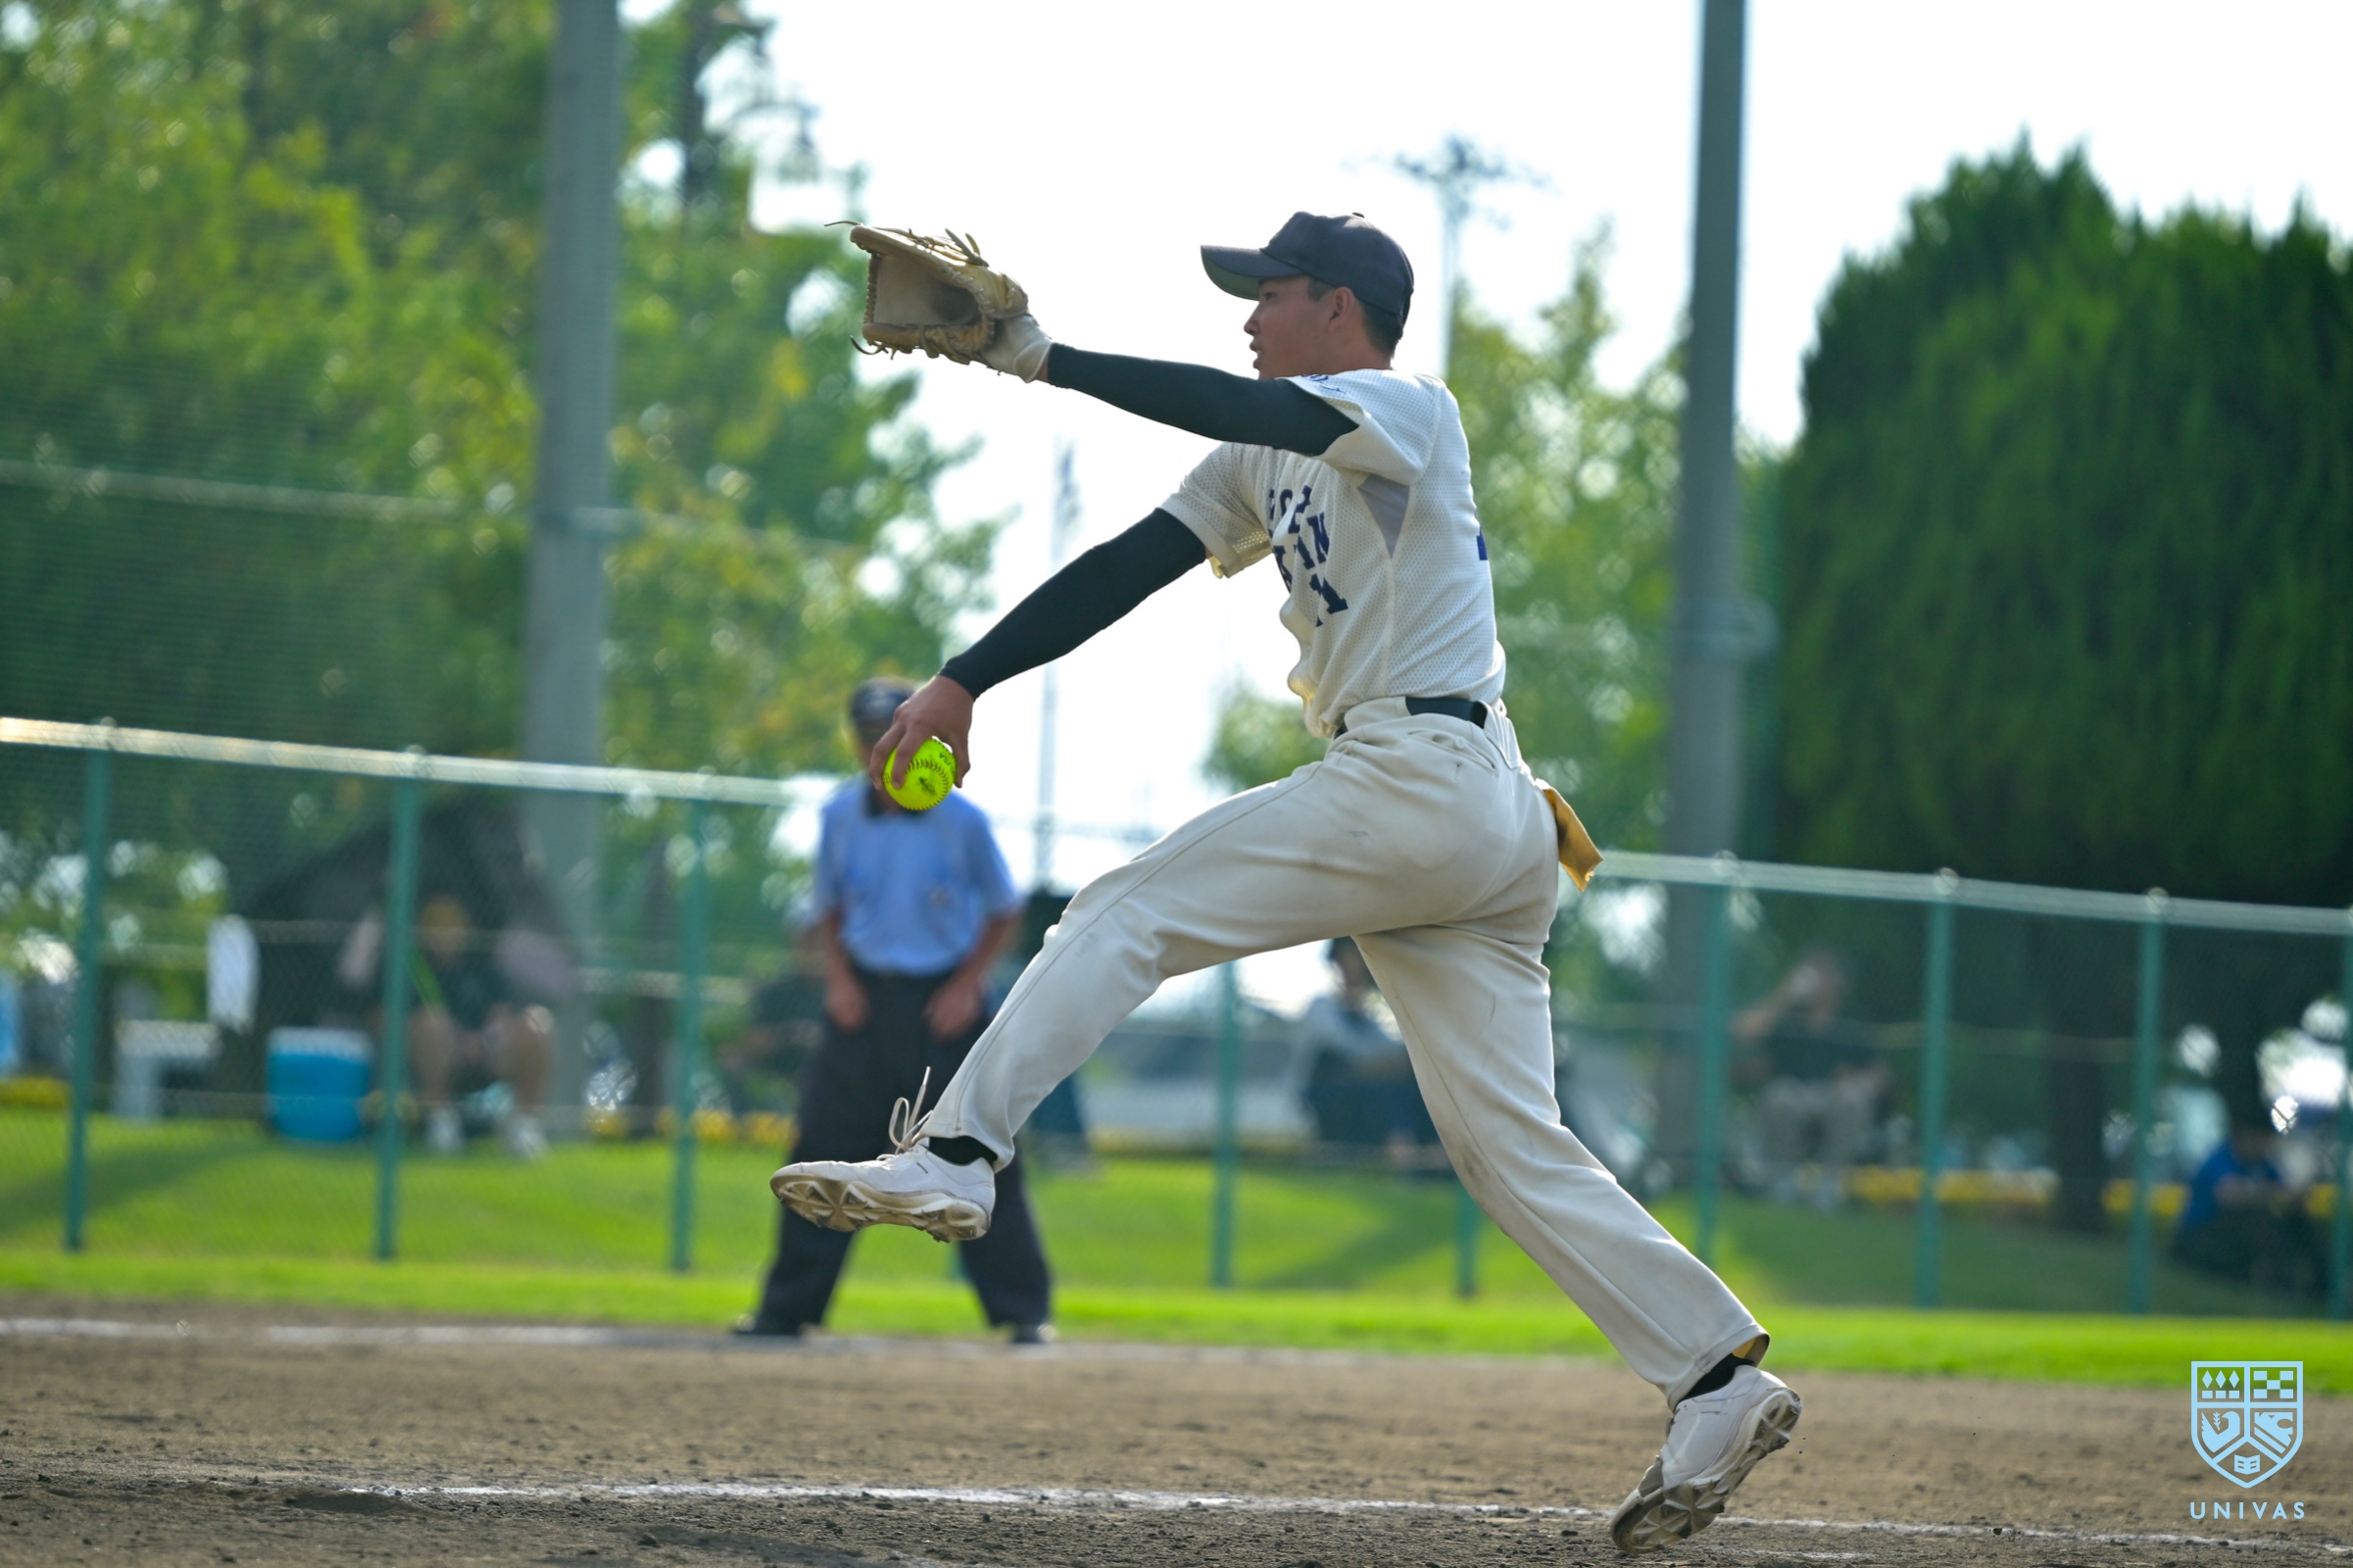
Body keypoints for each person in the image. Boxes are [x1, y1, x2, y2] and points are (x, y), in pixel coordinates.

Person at [769, 213, 1797, 1551]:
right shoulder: (1265, 449)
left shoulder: (1407, 411)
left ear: (1339, 307)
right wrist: (964, 678)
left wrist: (1041, 356)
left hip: (1423, 778)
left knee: (1124, 909)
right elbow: (1128, 565)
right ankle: (1715, 1377)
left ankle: (958, 1155)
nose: (1248, 316)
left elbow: (1236, 402)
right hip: (1469, 823)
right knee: (1507, 1147)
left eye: (1270, 292)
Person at [740, 677, 1052, 1343]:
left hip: (945, 1005)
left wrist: (966, 985)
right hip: (861, 1001)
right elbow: (828, 907)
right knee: (821, 1150)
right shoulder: (839, 815)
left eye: (888, 731)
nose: (876, 746)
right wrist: (839, 981)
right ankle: (785, 1308)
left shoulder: (960, 819)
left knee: (977, 1151)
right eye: (865, 735)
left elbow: (1004, 909)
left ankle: (1024, 1312)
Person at [1732, 949, 1885, 1208]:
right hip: (1794, 1093)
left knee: (1853, 1099)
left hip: (1834, 1096)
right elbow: (1744, 1033)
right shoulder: (1787, 1016)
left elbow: (1877, 1071)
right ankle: (1783, 1179)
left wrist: (1859, 1082)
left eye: (1825, 974)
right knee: (1779, 1097)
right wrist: (1784, 995)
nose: (1819, 981)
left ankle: (1829, 1183)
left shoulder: (1853, 1020)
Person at [408, 892, 553, 1159]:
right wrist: (456, 1038)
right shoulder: (412, 969)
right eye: (436, 924)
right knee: (430, 1024)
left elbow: (503, 1014)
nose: (444, 933)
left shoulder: (483, 966)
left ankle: (524, 1127)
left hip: (488, 1052)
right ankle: (441, 1124)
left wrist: (486, 1038)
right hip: (442, 1054)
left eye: (451, 923)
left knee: (538, 1022)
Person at [1299, 938, 1438, 1167]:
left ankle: (1432, 1152)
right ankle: (1404, 1154)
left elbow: (1391, 1052)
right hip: (1332, 1096)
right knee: (1385, 1090)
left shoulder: (1368, 1016)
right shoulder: (1321, 1007)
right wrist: (1384, 1063)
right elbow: (1348, 1052)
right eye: (1349, 958)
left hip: (1366, 1093)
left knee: (1413, 1083)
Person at [2172, 1118, 2327, 1298]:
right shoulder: (2222, 1157)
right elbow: (2229, 1194)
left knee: (2296, 1219)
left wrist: (2293, 1196)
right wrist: (2271, 1192)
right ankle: (2284, 1284)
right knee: (2258, 1219)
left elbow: (2283, 1190)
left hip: (2234, 1235)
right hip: (2201, 1236)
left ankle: (2323, 1283)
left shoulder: (2261, 1163)